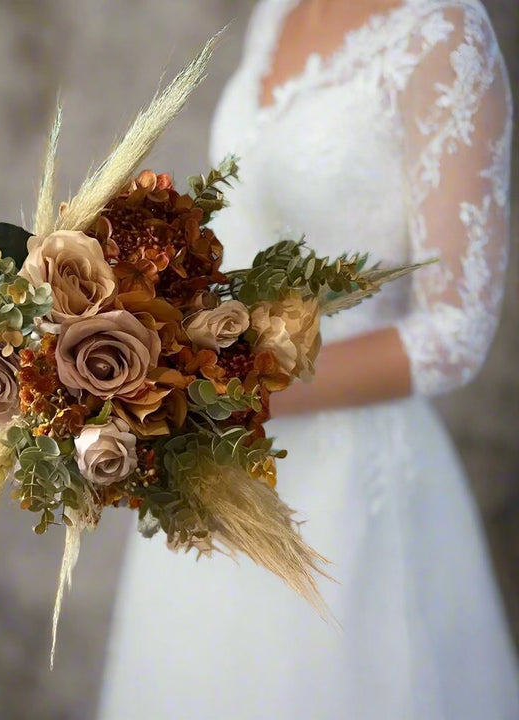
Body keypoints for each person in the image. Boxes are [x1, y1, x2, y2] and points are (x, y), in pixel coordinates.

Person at [97, 0, 519, 717]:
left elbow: (456, 334)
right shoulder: (279, 11)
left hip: (346, 494)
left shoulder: (445, 33)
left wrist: (214, 389)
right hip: (211, 477)